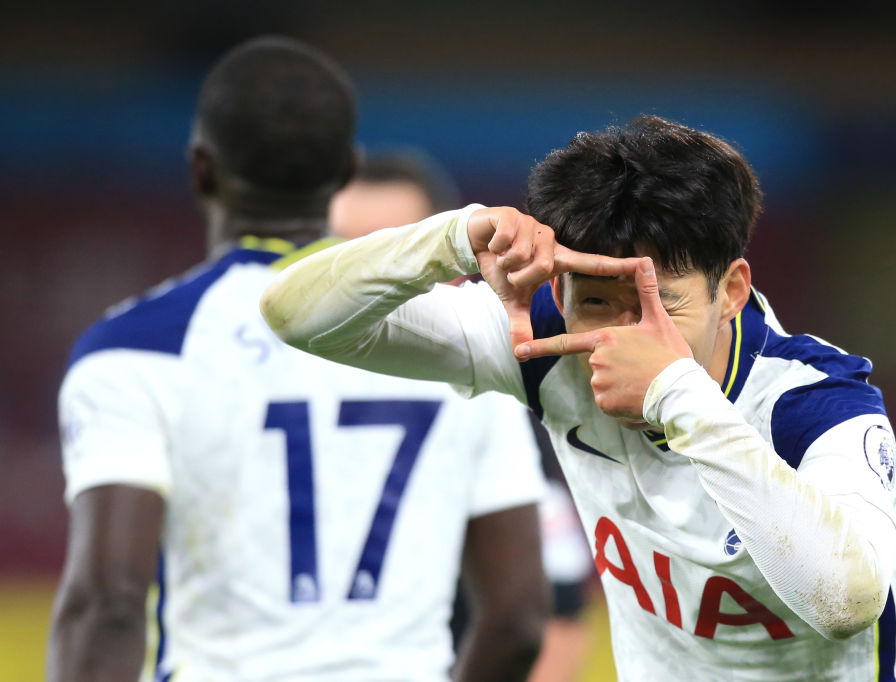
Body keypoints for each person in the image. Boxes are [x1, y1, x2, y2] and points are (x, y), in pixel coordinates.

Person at [261, 115, 896, 680]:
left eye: (666, 302)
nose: (626, 335)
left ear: (733, 290)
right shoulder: (544, 340)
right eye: (599, 299)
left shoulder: (815, 404)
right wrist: (452, 240)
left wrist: (673, 392)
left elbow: (847, 601)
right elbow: (293, 313)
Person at [48, 36, 550, 682]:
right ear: (345, 172)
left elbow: (107, 603)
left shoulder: (134, 346)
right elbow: (517, 618)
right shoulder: (465, 342)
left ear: (201, 168)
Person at [329, 150, 597, 681]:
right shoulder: (266, 400)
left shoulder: (510, 404)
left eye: (390, 254)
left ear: (450, 271)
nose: (366, 285)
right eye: (343, 256)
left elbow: (554, 621)